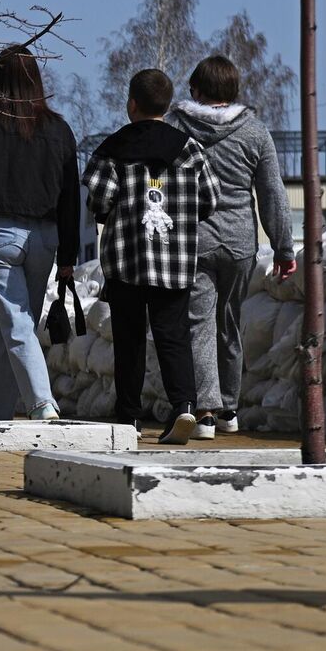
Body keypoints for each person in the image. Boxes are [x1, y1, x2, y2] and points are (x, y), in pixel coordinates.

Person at [84, 68, 220, 445]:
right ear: (167, 104)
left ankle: (129, 417)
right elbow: (211, 197)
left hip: (126, 262)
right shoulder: (189, 147)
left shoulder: (111, 148)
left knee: (129, 340)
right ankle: (184, 407)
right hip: (175, 263)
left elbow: (98, 199)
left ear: (132, 104)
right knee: (173, 335)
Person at [167, 55, 297, 439]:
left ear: (197, 90)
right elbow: (272, 193)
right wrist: (284, 249)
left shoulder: (177, 128)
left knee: (199, 323)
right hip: (241, 243)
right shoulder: (255, 132)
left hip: (194, 240)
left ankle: (204, 411)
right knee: (229, 323)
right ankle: (229, 409)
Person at [0, 46, 81, 421]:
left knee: (17, 323)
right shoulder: (59, 129)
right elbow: (71, 195)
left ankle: (41, 403)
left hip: (1, 232)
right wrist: (69, 255)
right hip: (46, 238)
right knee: (16, 325)